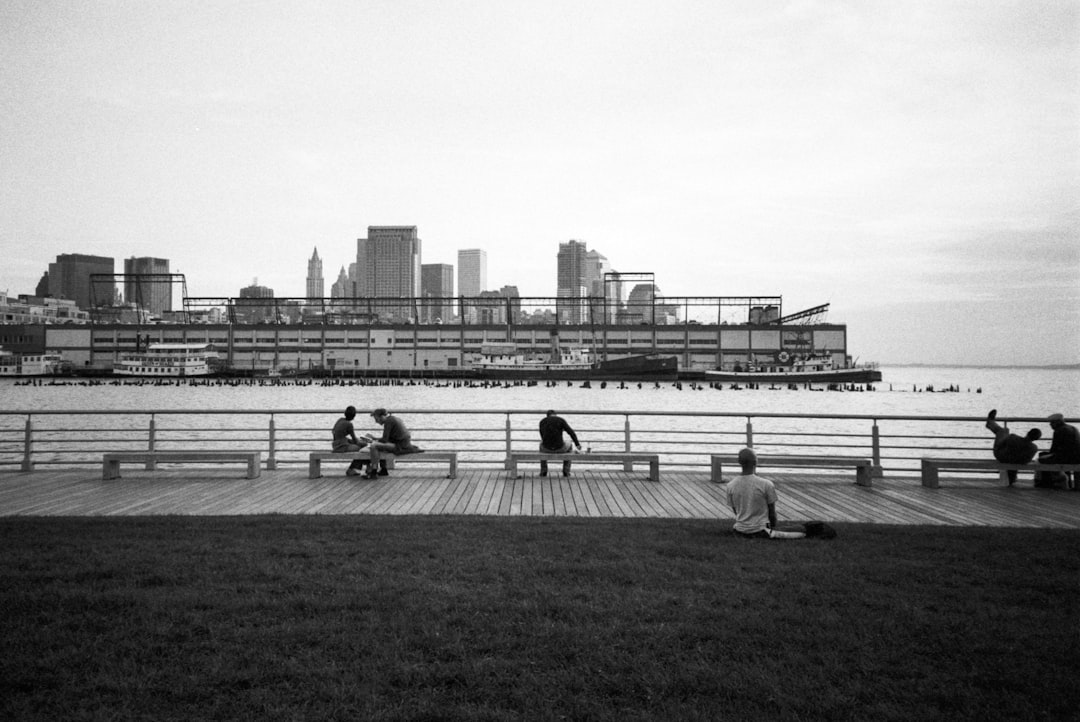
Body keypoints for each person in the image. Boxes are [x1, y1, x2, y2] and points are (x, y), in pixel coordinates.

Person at [724, 448, 806, 539]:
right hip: (762, 530)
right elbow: (772, 513)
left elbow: (737, 511)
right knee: (803, 530)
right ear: (755, 462)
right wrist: (773, 527)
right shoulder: (766, 484)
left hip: (739, 530)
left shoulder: (730, 486)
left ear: (739, 462)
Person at [984, 409, 1041, 486]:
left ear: (1028, 432)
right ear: (1036, 439)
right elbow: (1026, 460)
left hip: (1002, 457)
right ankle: (991, 423)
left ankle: (990, 423)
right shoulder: (1033, 448)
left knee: (1003, 431)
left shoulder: (1013, 437)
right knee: (1005, 434)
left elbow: (1000, 445)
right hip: (1017, 462)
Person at [364, 408, 421, 480]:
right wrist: (375, 439)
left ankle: (374, 472)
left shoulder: (388, 422)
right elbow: (386, 439)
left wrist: (373, 439)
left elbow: (384, 440)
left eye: (376, 419)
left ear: (382, 416)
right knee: (379, 446)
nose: (376, 421)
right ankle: (383, 469)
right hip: (404, 444)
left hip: (400, 446)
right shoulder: (392, 419)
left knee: (374, 446)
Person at [1036, 413, 1080, 489]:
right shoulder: (1073, 428)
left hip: (1066, 458)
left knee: (1041, 458)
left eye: (1051, 423)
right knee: (1049, 456)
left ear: (1056, 423)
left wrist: (1045, 456)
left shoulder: (1058, 431)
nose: (1050, 425)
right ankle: (1067, 482)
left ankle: (1046, 483)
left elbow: (1053, 449)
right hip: (1077, 457)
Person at [538, 409, 581, 477]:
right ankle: (566, 471)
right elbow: (571, 432)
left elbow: (542, 436)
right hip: (560, 448)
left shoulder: (542, 421)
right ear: (555, 415)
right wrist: (577, 444)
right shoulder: (560, 420)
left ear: (547, 416)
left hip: (546, 448)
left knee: (541, 444)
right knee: (569, 444)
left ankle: (543, 471)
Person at [332, 406, 369, 477]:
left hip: (336, 444)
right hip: (342, 446)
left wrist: (350, 441)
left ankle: (356, 468)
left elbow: (336, 433)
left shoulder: (340, 420)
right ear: (354, 416)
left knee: (361, 448)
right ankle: (354, 468)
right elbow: (355, 441)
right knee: (362, 450)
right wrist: (365, 443)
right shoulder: (349, 424)